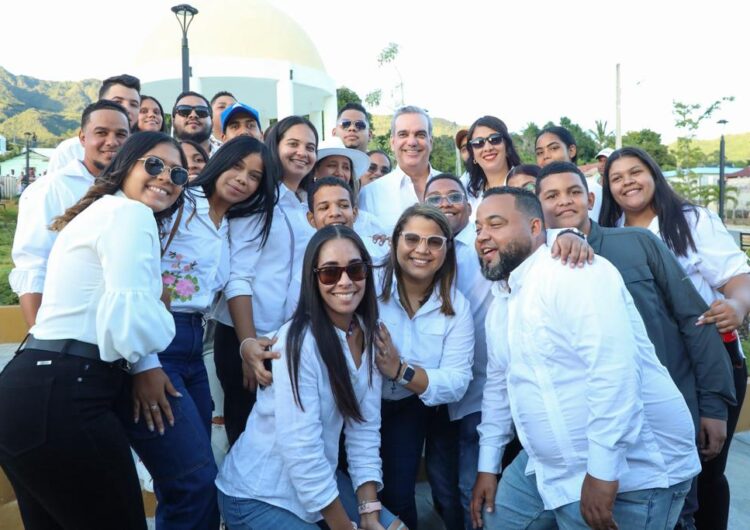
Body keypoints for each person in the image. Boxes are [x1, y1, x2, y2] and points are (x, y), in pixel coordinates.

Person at [471, 186, 701, 530]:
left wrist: (603, 472)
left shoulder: (572, 272)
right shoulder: (503, 300)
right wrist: (488, 466)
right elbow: (499, 387)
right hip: (548, 468)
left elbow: (614, 372)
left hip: (632, 472)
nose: (483, 237)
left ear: (536, 229)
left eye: (496, 224)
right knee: (500, 520)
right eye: (477, 229)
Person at [0, 131, 186, 530]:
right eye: (154, 164)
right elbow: (131, 327)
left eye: (178, 173)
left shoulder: (100, 212)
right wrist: (162, 310)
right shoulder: (130, 214)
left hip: (29, 393)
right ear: (126, 166)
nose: (166, 177)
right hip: (67, 395)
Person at [536, 163, 735, 527]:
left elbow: (696, 321)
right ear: (537, 209)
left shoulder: (637, 244)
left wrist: (714, 405)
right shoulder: (537, 269)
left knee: (678, 515)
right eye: (551, 195)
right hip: (595, 435)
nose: (564, 201)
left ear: (591, 198)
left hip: (666, 419)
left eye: (574, 192)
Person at [123, 135, 275, 530]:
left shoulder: (232, 225)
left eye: (255, 176)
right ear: (219, 161)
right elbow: (137, 265)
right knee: (192, 476)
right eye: (237, 166)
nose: (243, 179)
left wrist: (246, 342)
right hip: (159, 342)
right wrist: (144, 361)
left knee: (197, 469)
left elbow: (236, 283)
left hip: (194, 344)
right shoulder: (180, 201)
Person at [216, 225, 405, 530]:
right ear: (312, 278)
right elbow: (300, 449)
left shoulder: (367, 333)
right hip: (259, 495)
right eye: (330, 273)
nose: (345, 281)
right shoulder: (297, 341)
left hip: (318, 481)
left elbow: (364, 428)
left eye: (355, 270)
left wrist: (369, 514)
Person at [600, 147, 750, 530]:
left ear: (654, 174)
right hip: (653, 367)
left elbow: (739, 280)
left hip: (709, 359)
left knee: (706, 469)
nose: (627, 182)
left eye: (636, 172)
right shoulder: (609, 229)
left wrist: (737, 305)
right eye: (616, 178)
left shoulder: (690, 221)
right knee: (667, 473)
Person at [211, 116, 316, 444]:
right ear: (275, 147)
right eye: (293, 144)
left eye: (310, 147)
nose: (302, 153)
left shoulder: (302, 205)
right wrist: (249, 345)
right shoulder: (259, 199)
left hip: (285, 340)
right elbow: (238, 277)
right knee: (247, 439)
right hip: (247, 337)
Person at [374, 204, 474, 529]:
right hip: (356, 406)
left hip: (408, 408)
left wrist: (401, 370)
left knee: (399, 498)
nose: (422, 249)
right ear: (395, 242)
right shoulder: (368, 285)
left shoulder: (457, 306)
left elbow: (457, 380)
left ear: (447, 249)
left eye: (434, 242)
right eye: (412, 238)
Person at [10, 100, 131, 327]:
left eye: (121, 134)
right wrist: (39, 336)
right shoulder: (51, 188)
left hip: (119, 326)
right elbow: (33, 265)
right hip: (68, 327)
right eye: (101, 133)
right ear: (83, 138)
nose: (112, 142)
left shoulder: (133, 189)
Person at [359, 106, 440, 232]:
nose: (412, 142)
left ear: (431, 142)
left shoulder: (453, 188)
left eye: (420, 134)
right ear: (392, 143)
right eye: (403, 134)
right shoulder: (369, 194)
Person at [47, 74, 141, 173]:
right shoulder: (70, 150)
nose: (127, 109)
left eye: (134, 104)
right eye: (117, 102)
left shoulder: (145, 152)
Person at [307, 177, 389, 262]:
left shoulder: (380, 252)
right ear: (311, 219)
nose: (335, 213)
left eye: (343, 205)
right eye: (324, 207)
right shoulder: (302, 259)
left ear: (354, 213)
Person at [535, 125, 602, 220]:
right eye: (540, 153)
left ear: (571, 151)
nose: (546, 156)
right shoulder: (539, 192)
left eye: (554, 148)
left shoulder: (593, 188)